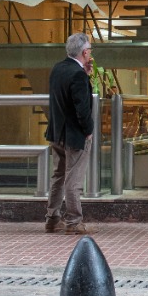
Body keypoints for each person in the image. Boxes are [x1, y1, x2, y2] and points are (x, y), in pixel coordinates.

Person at [44, 33, 95, 235]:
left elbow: (63, 97)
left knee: (58, 176)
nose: (90, 54)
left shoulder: (58, 69)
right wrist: (88, 130)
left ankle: (52, 218)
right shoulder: (78, 75)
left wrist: (85, 73)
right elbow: (81, 108)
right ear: (84, 52)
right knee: (73, 180)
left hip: (56, 132)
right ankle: (74, 221)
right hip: (74, 135)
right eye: (89, 51)